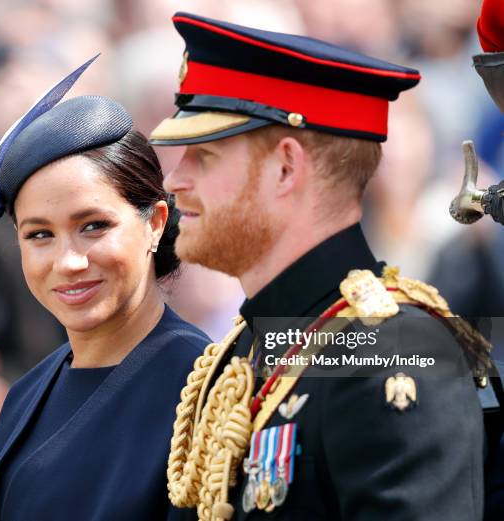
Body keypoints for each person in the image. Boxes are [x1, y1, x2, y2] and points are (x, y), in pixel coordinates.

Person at [148, 12, 490, 520]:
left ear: (286, 167)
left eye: (205, 155)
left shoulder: (392, 352)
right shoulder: (245, 346)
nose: (176, 180)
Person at [0, 58, 210, 521]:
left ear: (155, 223)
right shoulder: (26, 394)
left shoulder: (197, 390)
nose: (69, 262)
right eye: (40, 235)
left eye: (94, 226)